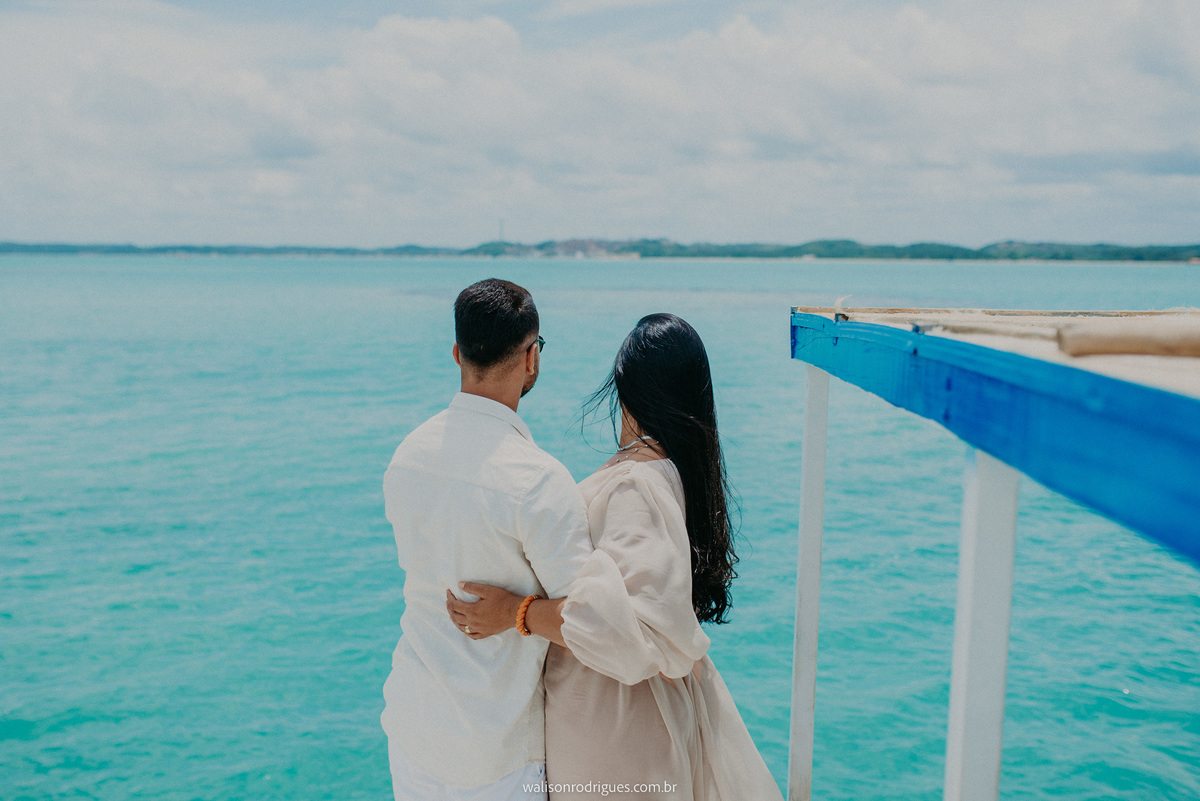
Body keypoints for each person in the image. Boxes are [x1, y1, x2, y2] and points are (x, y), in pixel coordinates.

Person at [447, 313, 784, 801]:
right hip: (643, 714)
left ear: (624, 389)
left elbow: (625, 630)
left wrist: (514, 613)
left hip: (613, 720)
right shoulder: (675, 472)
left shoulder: (635, 485)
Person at [380, 278, 593, 801]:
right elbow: (589, 622)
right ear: (531, 359)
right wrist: (519, 612)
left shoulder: (408, 455)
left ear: (457, 353)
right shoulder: (538, 479)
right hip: (496, 752)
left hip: (413, 727)